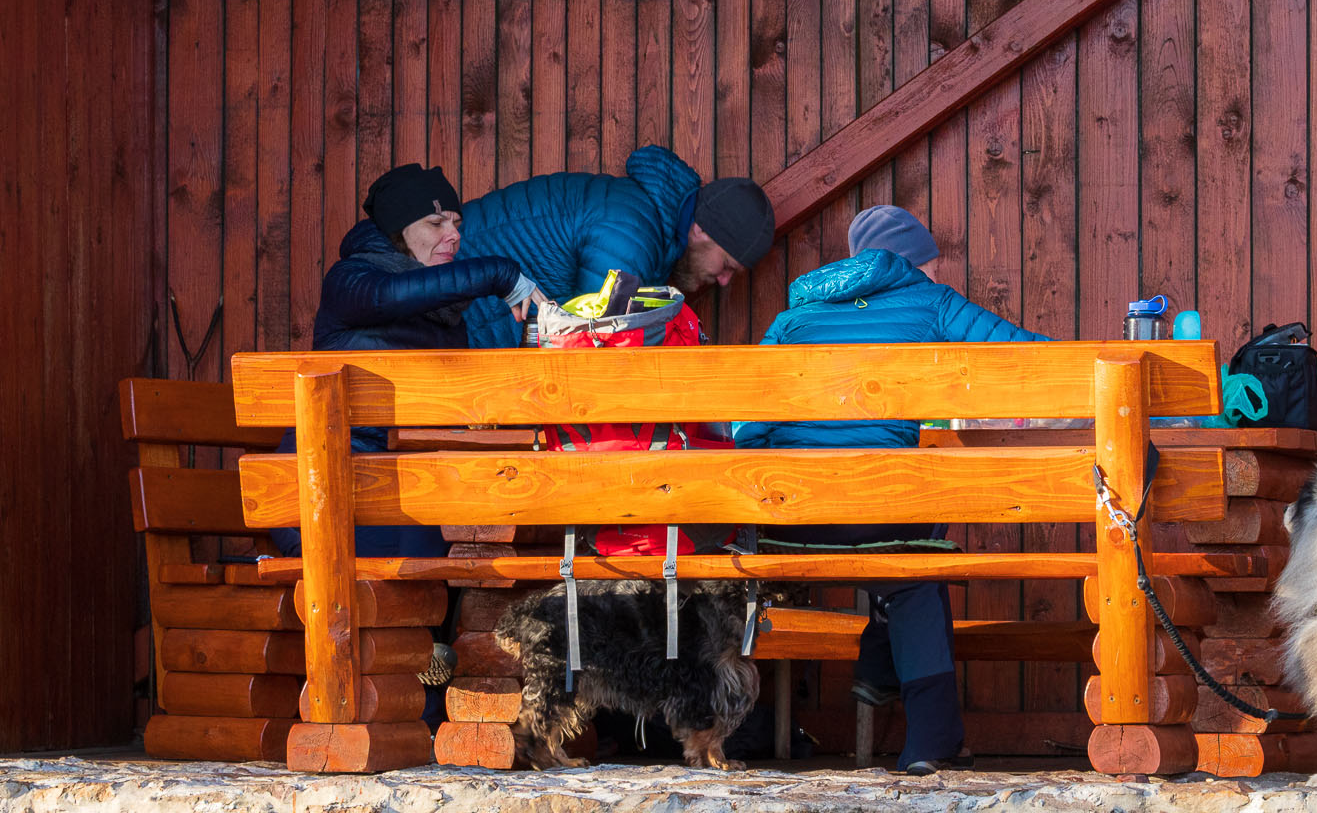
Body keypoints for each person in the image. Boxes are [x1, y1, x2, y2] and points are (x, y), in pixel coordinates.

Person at [735, 205, 1047, 775]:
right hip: (881, 517)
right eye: (932, 264)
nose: (937, 272)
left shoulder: (791, 320)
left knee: (909, 549)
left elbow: (746, 431)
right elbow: (1040, 367)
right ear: (914, 263)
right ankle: (928, 738)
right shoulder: (933, 302)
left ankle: (879, 670)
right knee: (914, 565)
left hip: (789, 523)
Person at [273, 162, 542, 560]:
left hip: (401, 485)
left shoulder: (445, 312)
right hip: (323, 492)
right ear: (400, 232)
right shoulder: (351, 280)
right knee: (446, 548)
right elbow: (391, 296)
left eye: (456, 225)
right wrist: (500, 274)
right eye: (436, 223)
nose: (453, 235)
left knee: (487, 533)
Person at [450, 144, 775, 347]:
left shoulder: (650, 228)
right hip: (447, 309)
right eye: (727, 265)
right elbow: (599, 350)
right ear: (702, 229)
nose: (724, 281)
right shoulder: (630, 237)